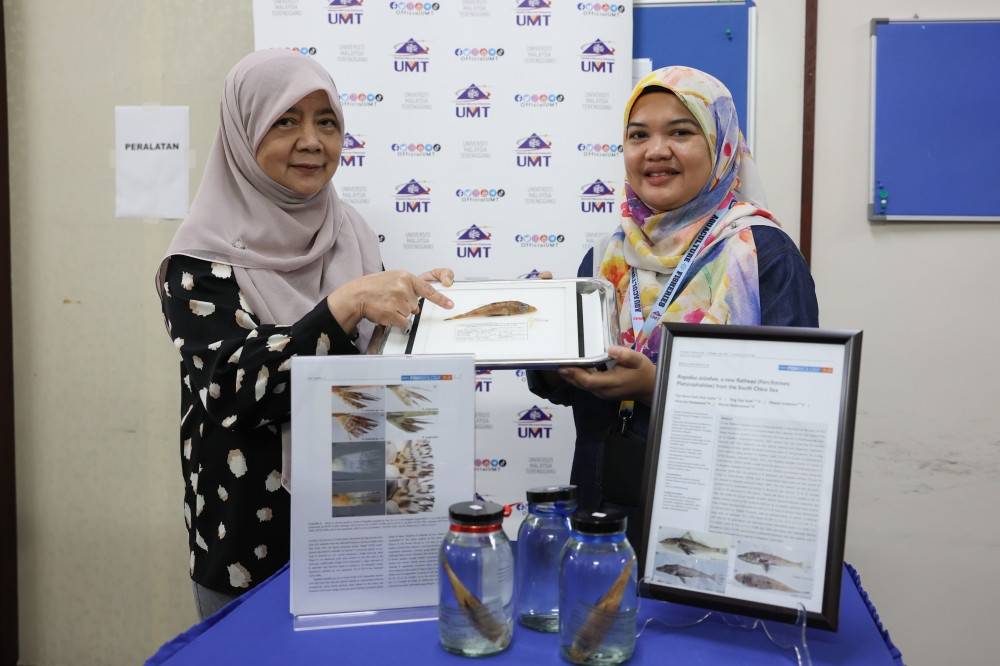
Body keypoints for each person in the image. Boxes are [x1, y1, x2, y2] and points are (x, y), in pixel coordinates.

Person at [155, 50, 454, 620]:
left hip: (365, 522)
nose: (312, 141)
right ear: (244, 131)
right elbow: (230, 388)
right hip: (250, 541)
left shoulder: (352, 233)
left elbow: (376, 373)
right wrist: (341, 306)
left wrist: (425, 314)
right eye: (286, 120)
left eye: (327, 121)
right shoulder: (198, 261)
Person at [529, 66, 818, 548]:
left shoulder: (763, 255)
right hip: (602, 515)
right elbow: (568, 390)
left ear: (721, 146)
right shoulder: (605, 258)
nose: (656, 150)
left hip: (714, 526)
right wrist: (545, 337)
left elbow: (791, 409)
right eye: (638, 135)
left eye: (681, 132)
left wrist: (655, 388)